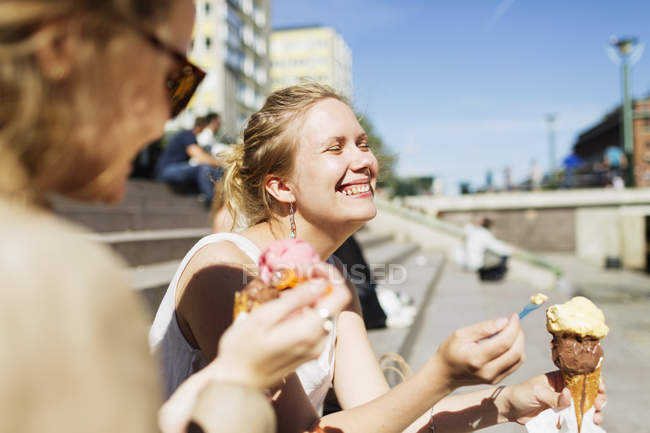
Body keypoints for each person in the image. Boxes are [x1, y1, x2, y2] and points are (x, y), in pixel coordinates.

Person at [151, 83, 607, 433]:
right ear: (281, 186)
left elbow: (386, 416)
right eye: (336, 148)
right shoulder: (224, 272)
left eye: (363, 143)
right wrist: (442, 374)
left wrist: (508, 401)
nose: (364, 161)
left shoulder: (333, 280)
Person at [0, 2, 349, 433]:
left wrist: (239, 370)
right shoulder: (44, 271)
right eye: (174, 79)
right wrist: (242, 380)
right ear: (62, 49)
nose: (170, 114)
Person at [156, 115, 225, 201]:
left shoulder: (190, 137)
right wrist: (224, 164)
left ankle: (220, 198)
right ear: (203, 127)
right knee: (203, 168)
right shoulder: (188, 135)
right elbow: (201, 158)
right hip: (166, 170)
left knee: (211, 170)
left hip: (172, 169)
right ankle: (213, 202)